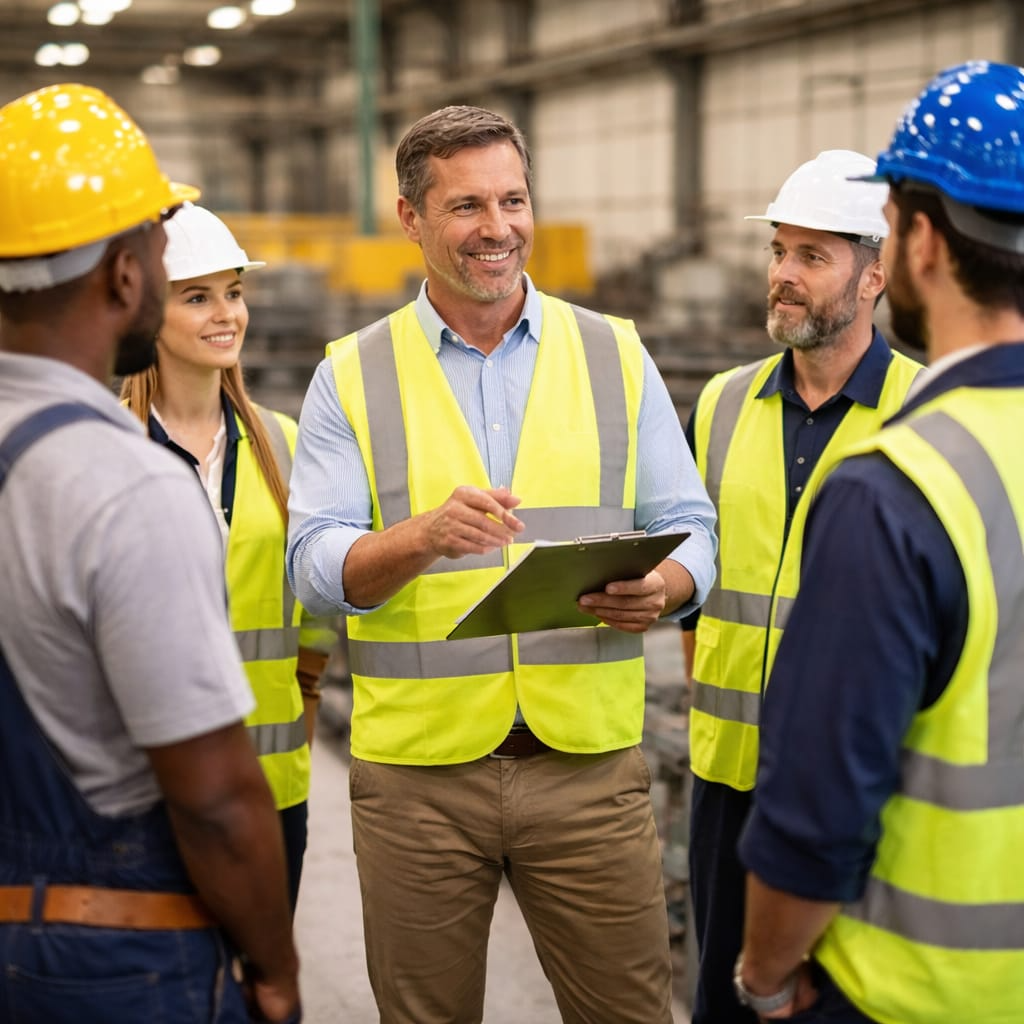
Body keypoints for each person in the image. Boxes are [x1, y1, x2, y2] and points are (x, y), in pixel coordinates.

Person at [287, 104, 718, 1023]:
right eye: (467, 206)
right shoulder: (351, 374)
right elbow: (316, 567)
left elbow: (692, 526)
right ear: (411, 219)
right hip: (418, 785)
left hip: (590, 771)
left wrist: (667, 588)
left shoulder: (616, 353)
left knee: (629, 1012)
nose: (499, 228)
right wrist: (420, 537)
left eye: (514, 200)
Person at [0, 84, 300, 1022]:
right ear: (126, 276)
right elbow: (212, 798)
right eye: (165, 252)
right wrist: (277, 965)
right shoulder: (125, 484)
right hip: (107, 947)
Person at [735, 59, 1024, 1023]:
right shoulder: (732, 408)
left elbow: (817, 811)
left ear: (921, 243)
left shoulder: (900, 488)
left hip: (919, 988)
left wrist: (764, 977)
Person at [680, 150, 922, 1022]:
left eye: (813, 257)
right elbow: (701, 584)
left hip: (863, 792)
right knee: (722, 995)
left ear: (874, 279)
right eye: (780, 251)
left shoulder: (926, 414)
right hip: (728, 777)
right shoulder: (721, 403)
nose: (784, 276)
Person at [121, 202, 335, 912]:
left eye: (234, 293)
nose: (227, 315)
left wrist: (302, 702)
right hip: (142, 790)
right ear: (149, 310)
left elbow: (313, 616)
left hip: (268, 789)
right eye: (197, 296)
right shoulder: (107, 448)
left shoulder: (282, 444)